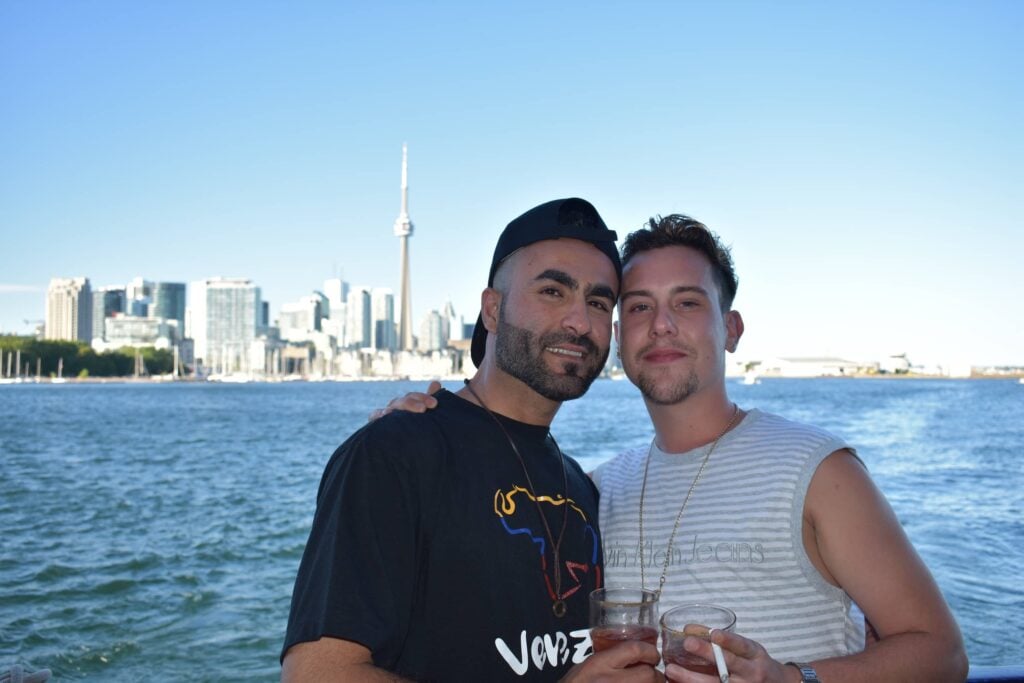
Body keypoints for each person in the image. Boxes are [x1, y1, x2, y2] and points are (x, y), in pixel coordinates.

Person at [382, 214, 968, 683]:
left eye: (687, 303)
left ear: (731, 329)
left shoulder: (818, 472)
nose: (661, 325)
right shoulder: (592, 490)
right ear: (617, 337)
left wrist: (794, 678)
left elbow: (939, 653)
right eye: (638, 307)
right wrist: (434, 424)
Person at [281, 198, 661, 682]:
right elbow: (317, 674)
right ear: (493, 309)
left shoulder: (579, 488)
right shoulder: (394, 453)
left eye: (599, 302)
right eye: (551, 291)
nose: (579, 322)